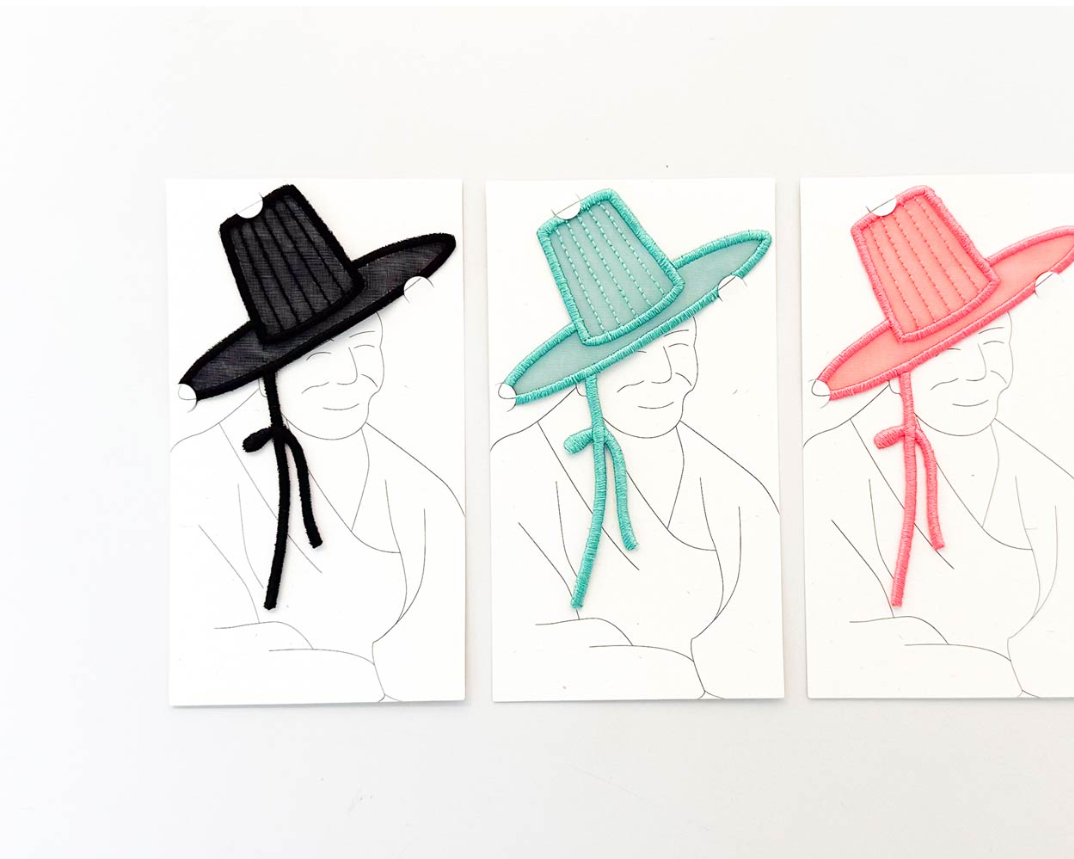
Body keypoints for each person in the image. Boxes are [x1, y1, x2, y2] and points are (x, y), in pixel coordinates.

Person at [170, 184, 460, 704]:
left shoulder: (421, 491)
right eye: (316, 359)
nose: (350, 376)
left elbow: (443, 635)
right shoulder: (199, 474)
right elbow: (210, 650)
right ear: (269, 373)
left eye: (364, 346)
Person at [806, 185, 1074, 697]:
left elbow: (1073, 632)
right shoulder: (832, 465)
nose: (980, 373)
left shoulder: (1052, 488)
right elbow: (842, 638)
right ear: (898, 372)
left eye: (994, 342)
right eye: (947, 354)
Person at [491, 189, 780, 699]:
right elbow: (524, 641)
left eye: (679, 345)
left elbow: (758, 638)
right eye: (635, 357)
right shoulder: (518, 468)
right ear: (583, 374)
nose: (667, 375)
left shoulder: (737, 489)